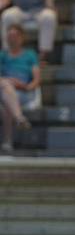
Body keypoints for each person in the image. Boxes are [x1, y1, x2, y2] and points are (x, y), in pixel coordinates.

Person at [0, 24, 35, 153]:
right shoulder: (2, 55)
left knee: (6, 104)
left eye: (14, 36)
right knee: (6, 86)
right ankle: (19, 118)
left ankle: (7, 141)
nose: (12, 39)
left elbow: (36, 80)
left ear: (22, 38)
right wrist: (9, 82)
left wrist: (24, 86)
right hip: (3, 89)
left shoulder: (30, 55)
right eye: (9, 36)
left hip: (23, 92)